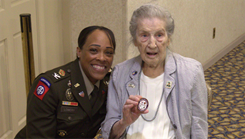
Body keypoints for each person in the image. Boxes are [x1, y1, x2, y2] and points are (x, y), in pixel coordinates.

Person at [101, 4, 208, 139]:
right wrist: (123, 123)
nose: (152, 44)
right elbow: (108, 132)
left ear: (168, 39)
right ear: (135, 40)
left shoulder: (191, 72)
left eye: (159, 35)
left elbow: (199, 128)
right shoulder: (119, 73)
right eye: (144, 35)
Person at [15, 25, 116, 139]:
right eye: (94, 50)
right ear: (79, 51)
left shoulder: (112, 82)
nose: (102, 58)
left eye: (108, 52)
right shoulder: (51, 86)